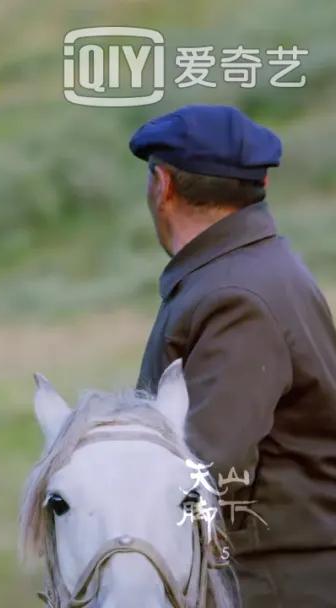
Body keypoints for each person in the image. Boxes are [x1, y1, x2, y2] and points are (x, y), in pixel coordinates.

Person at [132, 104, 336, 606]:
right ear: (262, 183)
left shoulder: (235, 295)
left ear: (163, 185)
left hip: (267, 585)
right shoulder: (248, 269)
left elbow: (206, 472)